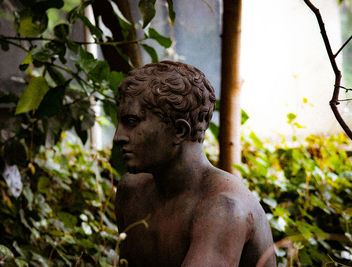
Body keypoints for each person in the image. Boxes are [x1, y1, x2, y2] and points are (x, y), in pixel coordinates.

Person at [114, 61, 276, 267]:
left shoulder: (224, 209)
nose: (118, 137)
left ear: (179, 131)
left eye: (132, 121)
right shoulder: (132, 192)